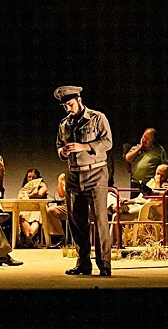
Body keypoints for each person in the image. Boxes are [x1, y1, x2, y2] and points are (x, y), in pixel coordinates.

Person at [54, 85, 112, 277]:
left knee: (100, 220)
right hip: (73, 175)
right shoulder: (64, 124)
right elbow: (59, 145)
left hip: (95, 173)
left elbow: (107, 142)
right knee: (76, 221)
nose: (68, 108)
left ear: (79, 100)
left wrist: (84, 146)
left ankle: (104, 264)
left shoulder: (97, 118)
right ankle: (83, 263)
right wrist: (63, 151)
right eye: (65, 106)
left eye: (70, 104)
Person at [124, 128, 168, 198]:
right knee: (134, 201)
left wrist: (162, 180)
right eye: (143, 137)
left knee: (147, 202)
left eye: (147, 139)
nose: (144, 140)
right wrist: (140, 148)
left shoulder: (159, 150)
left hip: (150, 184)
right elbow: (128, 158)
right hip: (136, 183)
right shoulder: (136, 148)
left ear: (153, 140)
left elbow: (165, 167)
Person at [16, 168, 48, 248]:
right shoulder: (24, 189)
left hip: (38, 208)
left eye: (33, 177)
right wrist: (31, 194)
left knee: (36, 217)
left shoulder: (42, 186)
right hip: (26, 208)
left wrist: (33, 192)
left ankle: (29, 238)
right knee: (21, 215)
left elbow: (40, 194)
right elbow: (19, 197)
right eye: (29, 177)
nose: (31, 179)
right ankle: (29, 237)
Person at [46, 173, 68, 248]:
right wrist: (60, 181)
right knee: (51, 210)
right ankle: (60, 237)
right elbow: (61, 195)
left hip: (82, 206)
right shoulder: (65, 177)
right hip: (67, 206)